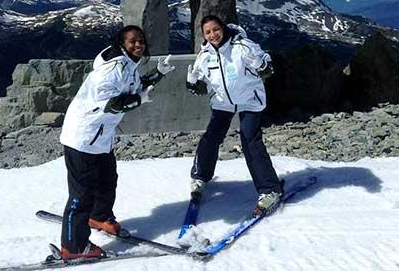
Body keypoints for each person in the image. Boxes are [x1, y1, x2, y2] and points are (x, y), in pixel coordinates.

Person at [58, 25, 175, 259]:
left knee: (107, 180)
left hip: (101, 137)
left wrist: (158, 74)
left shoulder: (127, 64)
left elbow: (134, 86)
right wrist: (138, 101)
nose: (138, 45)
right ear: (122, 43)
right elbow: (111, 103)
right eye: (133, 41)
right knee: (82, 194)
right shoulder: (112, 68)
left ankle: (99, 217)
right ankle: (73, 247)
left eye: (141, 41)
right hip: (83, 136)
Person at [186, 15, 283, 216]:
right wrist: (192, 83)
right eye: (208, 32)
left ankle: (270, 189)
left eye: (215, 29)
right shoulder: (205, 55)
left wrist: (263, 65)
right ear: (203, 35)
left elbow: (268, 67)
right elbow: (199, 82)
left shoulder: (242, 46)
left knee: (250, 140)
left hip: (249, 100)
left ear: (223, 28)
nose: (213, 34)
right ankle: (200, 176)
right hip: (223, 102)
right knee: (211, 137)